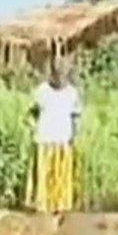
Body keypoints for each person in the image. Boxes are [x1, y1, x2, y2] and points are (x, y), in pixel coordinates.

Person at [27, 60, 82, 214]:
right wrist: (33, 128)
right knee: (44, 175)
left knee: (61, 176)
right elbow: (32, 113)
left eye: (63, 73)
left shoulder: (72, 93)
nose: (60, 77)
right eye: (57, 73)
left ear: (67, 75)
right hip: (44, 139)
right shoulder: (42, 91)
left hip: (63, 139)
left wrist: (75, 135)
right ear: (52, 73)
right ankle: (43, 206)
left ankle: (60, 206)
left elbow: (76, 116)